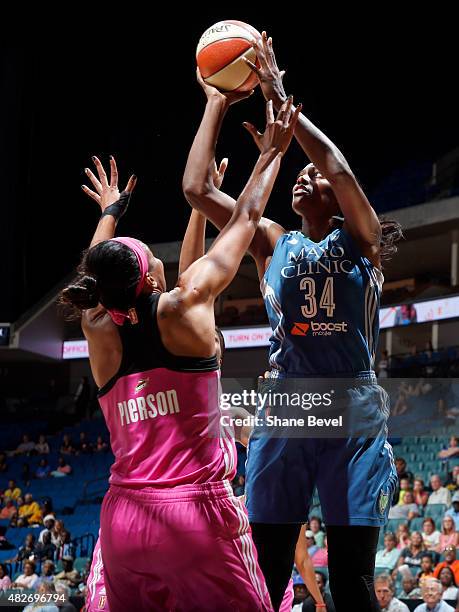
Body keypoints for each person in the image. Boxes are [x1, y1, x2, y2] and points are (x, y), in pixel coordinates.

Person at [183, 30, 402, 612]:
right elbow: (197, 188)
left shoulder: (364, 242)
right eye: (299, 174)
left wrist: (282, 101)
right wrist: (215, 103)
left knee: (352, 582)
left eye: (316, 178)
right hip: (288, 407)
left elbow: (335, 161)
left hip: (352, 408)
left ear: (337, 198)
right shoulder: (270, 241)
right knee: (268, 572)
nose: (307, 176)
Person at [64, 89, 300, 610]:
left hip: (124, 521)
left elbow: (94, 274)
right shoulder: (183, 309)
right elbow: (244, 221)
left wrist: (110, 212)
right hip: (195, 516)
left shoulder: (97, 327)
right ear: (151, 276)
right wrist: (270, 152)